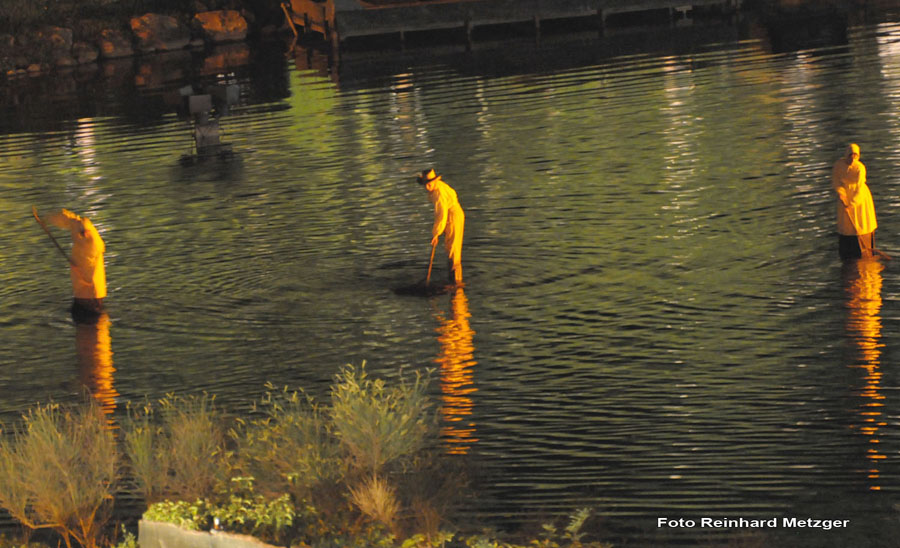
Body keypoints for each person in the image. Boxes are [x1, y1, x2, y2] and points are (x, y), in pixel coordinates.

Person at [46, 209, 107, 320]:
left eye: (85, 233)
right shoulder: (78, 225)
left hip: (91, 296)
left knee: (90, 323)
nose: (82, 235)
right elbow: (67, 218)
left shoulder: (94, 246)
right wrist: (47, 217)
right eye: (82, 232)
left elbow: (87, 273)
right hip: (81, 293)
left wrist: (75, 265)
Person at [418, 168, 465, 284]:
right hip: (451, 215)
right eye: (425, 185)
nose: (427, 187)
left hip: (453, 216)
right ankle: (453, 279)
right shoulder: (436, 188)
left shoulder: (438, 193)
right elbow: (441, 214)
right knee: (450, 247)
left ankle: (456, 281)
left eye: (429, 184)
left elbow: (441, 214)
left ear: (435, 181)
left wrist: (436, 234)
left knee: (453, 250)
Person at [832, 143, 877, 260]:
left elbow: (859, 189)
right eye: (850, 155)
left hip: (859, 199)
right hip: (845, 197)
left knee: (861, 222)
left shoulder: (860, 169)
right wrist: (841, 194)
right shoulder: (839, 165)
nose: (852, 158)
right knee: (847, 225)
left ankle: (864, 251)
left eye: (855, 156)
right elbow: (837, 181)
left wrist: (851, 203)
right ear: (846, 155)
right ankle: (848, 251)